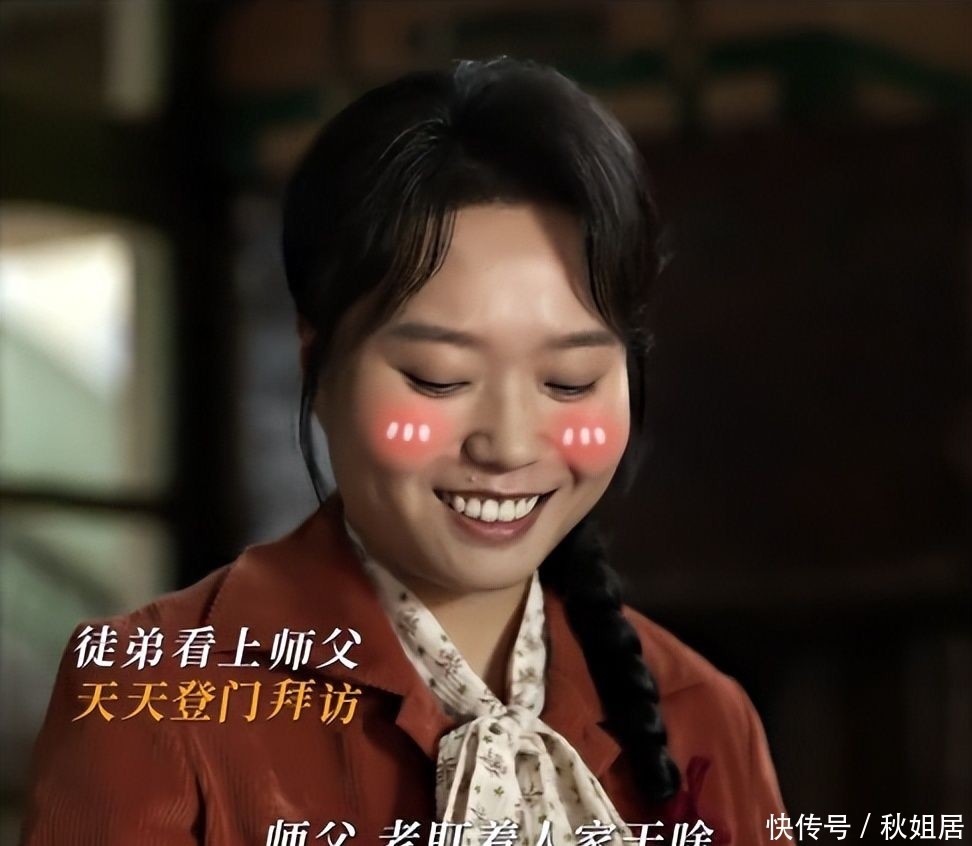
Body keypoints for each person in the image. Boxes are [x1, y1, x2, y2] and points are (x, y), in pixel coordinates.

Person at [20, 58, 785, 845]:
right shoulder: (152, 697)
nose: (508, 444)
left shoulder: (702, 715)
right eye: (438, 377)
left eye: (569, 381)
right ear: (317, 365)